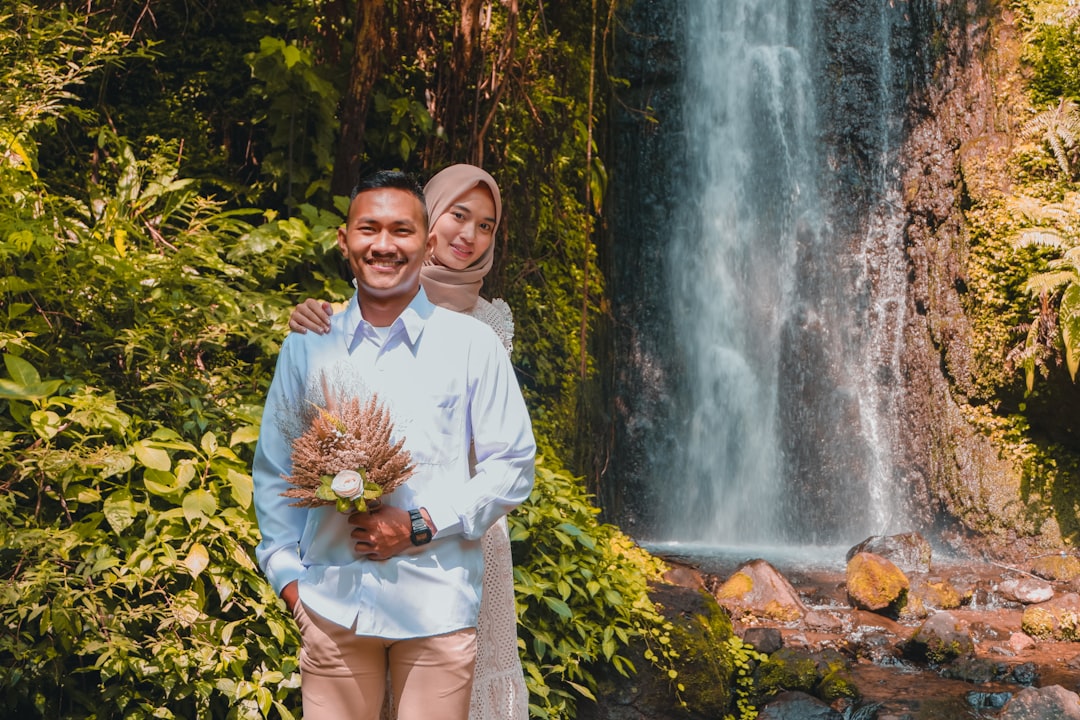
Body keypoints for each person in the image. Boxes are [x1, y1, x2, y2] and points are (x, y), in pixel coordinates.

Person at [252, 170, 536, 720]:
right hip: (333, 607)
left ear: (425, 242)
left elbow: (513, 465)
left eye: (401, 230)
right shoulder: (310, 343)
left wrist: (420, 523)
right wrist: (291, 583)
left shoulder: (473, 344)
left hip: (435, 604)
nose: (384, 245)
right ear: (345, 240)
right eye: (369, 229)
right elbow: (275, 467)